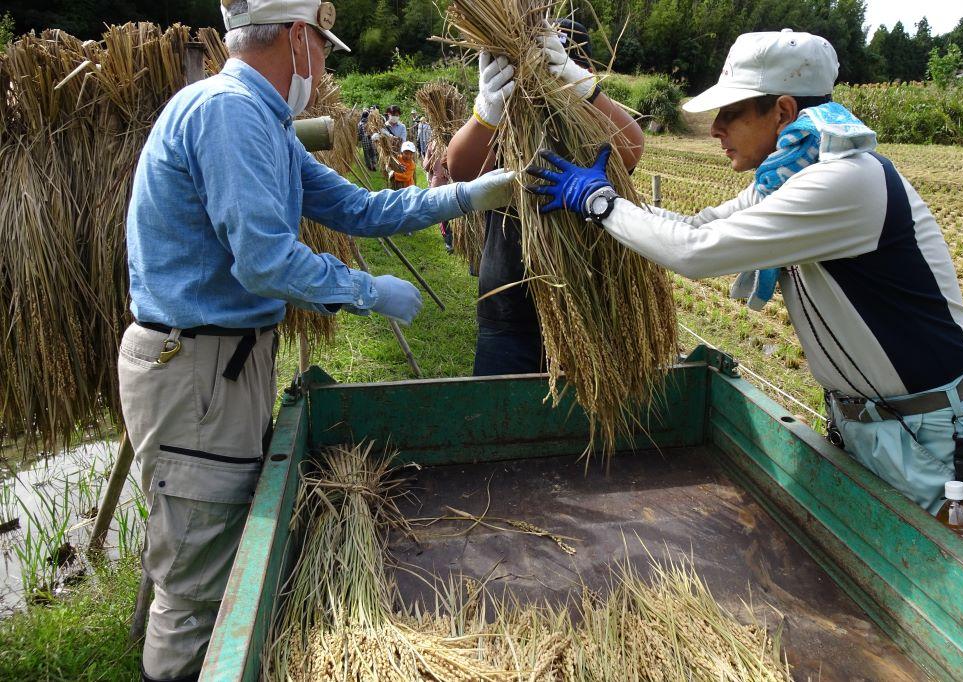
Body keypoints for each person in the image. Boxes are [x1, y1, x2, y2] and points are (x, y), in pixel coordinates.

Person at [120, 1, 515, 679]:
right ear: (299, 38)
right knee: (193, 585)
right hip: (197, 374)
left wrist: (465, 197)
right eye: (325, 48)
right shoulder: (227, 113)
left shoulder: (263, 122)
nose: (325, 63)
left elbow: (357, 208)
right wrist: (367, 292)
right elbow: (264, 260)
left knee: (210, 554)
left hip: (220, 367)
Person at [525, 30, 963, 564]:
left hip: (938, 438)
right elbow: (695, 224)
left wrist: (600, 205)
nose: (715, 129)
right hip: (886, 427)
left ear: (782, 111)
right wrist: (586, 100)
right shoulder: (790, 179)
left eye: (731, 113)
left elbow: (696, 250)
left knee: (952, 604)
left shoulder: (847, 182)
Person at [447, 18, 645, 375]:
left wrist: (586, 90)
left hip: (590, 306)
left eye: (558, 65)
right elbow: (460, 171)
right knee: (503, 420)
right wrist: (486, 112)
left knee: (581, 426)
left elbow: (632, 147)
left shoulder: (594, 126)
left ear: (582, 68)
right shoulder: (506, 124)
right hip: (508, 309)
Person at [423, 136, 454, 253]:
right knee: (442, 213)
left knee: (452, 212)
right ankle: (449, 240)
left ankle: (453, 239)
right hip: (439, 183)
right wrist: (434, 157)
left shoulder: (456, 137)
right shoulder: (433, 143)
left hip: (454, 182)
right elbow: (426, 167)